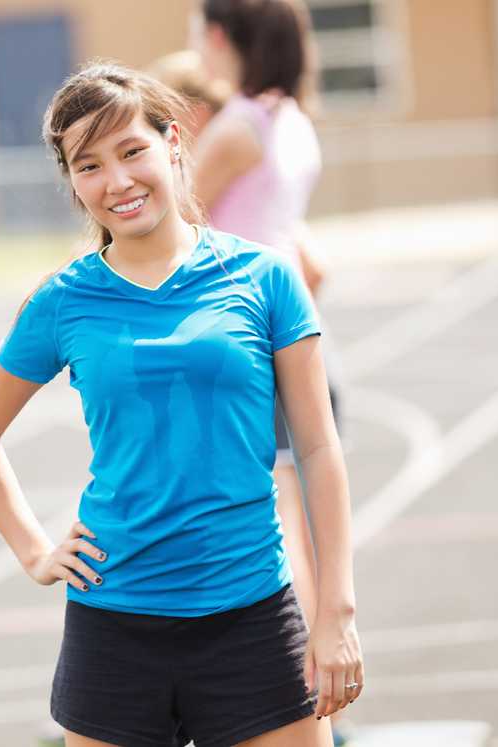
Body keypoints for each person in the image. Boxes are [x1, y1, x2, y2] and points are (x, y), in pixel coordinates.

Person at [0, 62, 362, 747]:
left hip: (252, 611)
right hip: (114, 626)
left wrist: (337, 611)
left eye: (131, 150)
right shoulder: (63, 301)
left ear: (174, 142)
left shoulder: (266, 278)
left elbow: (317, 448)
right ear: (73, 183)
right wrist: (33, 550)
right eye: (89, 165)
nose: (116, 181)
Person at [192, 0, 345, 675]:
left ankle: (302, 695)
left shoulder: (238, 128)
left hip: (254, 350)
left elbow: (162, 232)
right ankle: (321, 699)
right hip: (305, 337)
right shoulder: (293, 122)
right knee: (308, 531)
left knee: (276, 534)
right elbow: (309, 259)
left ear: (220, 36)